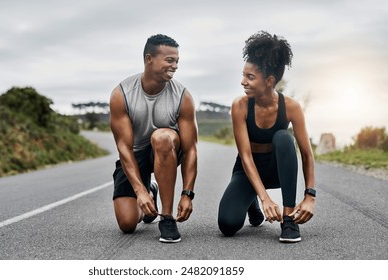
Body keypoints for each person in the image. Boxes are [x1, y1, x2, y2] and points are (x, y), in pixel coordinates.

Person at [217, 31, 316, 242]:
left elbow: (307, 154)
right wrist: (265, 199)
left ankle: (288, 219)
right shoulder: (240, 106)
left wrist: (310, 196)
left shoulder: (291, 107)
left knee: (283, 137)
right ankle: (251, 201)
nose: (243, 81)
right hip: (248, 168)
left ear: (269, 80)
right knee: (227, 224)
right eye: (243, 75)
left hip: (277, 168)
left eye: (250, 77)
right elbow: (245, 156)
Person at [109, 34, 198, 243]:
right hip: (135, 155)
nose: (175, 66)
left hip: (167, 151)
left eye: (177, 61)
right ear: (149, 59)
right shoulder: (122, 94)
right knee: (128, 224)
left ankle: (166, 218)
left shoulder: (182, 96)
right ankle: (150, 189)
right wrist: (140, 191)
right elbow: (124, 148)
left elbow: (191, 149)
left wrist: (188, 194)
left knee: (162, 137)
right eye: (169, 60)